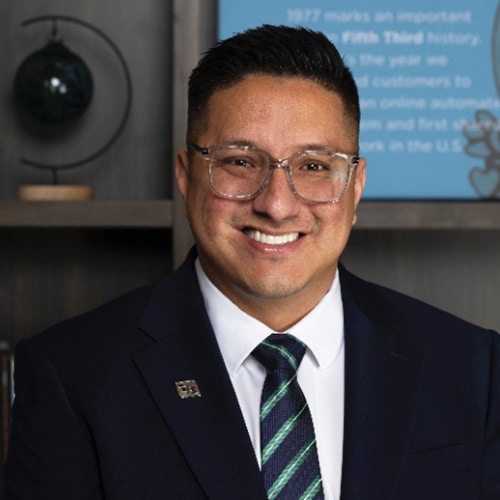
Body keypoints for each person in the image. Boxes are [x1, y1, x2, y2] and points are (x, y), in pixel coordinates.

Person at [4, 25, 500, 500]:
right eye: (240, 162)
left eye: (314, 166)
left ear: (355, 188)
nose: (277, 205)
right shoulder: (71, 377)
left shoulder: (474, 369)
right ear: (186, 177)